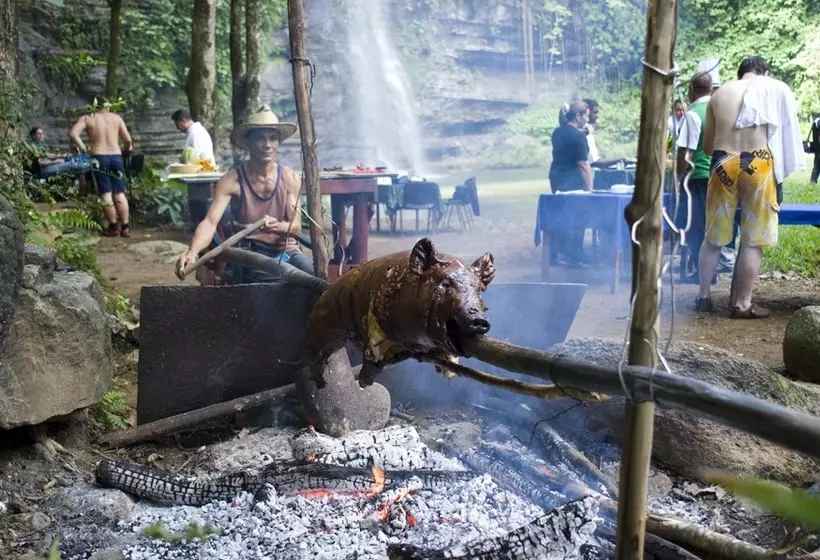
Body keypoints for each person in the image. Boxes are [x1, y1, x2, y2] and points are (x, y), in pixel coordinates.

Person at [697, 56, 804, 318]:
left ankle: (703, 297)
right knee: (753, 240)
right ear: (764, 72)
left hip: (723, 161)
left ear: (740, 73)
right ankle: (742, 304)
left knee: (713, 237)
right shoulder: (773, 88)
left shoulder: (719, 94)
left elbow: (708, 146)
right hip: (758, 162)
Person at [175, 105, 314, 283]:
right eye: (260, 139)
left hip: (287, 252)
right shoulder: (231, 181)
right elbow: (210, 223)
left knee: (316, 278)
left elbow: (295, 228)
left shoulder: (290, 178)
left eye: (273, 138)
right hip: (250, 254)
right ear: (248, 143)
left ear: (278, 143)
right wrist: (192, 253)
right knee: (272, 280)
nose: (267, 145)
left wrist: (276, 227)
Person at [69, 105, 134, 237]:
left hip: (99, 156)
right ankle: (126, 227)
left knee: (106, 193)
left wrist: (83, 148)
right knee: (119, 192)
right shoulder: (116, 118)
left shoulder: (88, 118)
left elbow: (73, 133)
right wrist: (126, 150)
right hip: (116, 156)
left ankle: (113, 227)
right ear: (107, 106)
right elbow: (128, 140)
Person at [675, 72, 712, 281]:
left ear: (692, 89)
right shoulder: (718, 109)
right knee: (710, 226)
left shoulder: (693, 114)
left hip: (696, 176)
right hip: (718, 174)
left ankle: (700, 272)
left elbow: (685, 151)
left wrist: (678, 177)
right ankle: (710, 270)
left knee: (694, 225)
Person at [548, 100, 592, 267]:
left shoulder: (557, 132)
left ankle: (556, 254)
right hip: (573, 182)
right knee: (578, 219)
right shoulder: (578, 137)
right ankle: (574, 254)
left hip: (556, 178)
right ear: (578, 115)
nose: (587, 119)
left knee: (559, 217)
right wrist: (590, 189)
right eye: (586, 115)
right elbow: (583, 164)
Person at [582, 98, 627, 168]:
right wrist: (618, 160)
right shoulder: (585, 133)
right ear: (587, 113)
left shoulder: (585, 129)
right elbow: (594, 162)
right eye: (595, 112)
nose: (597, 116)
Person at [810, 113, 820, 184]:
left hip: (817, 148)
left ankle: (813, 181)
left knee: (816, 165)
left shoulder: (816, 121)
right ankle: (813, 181)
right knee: (816, 165)